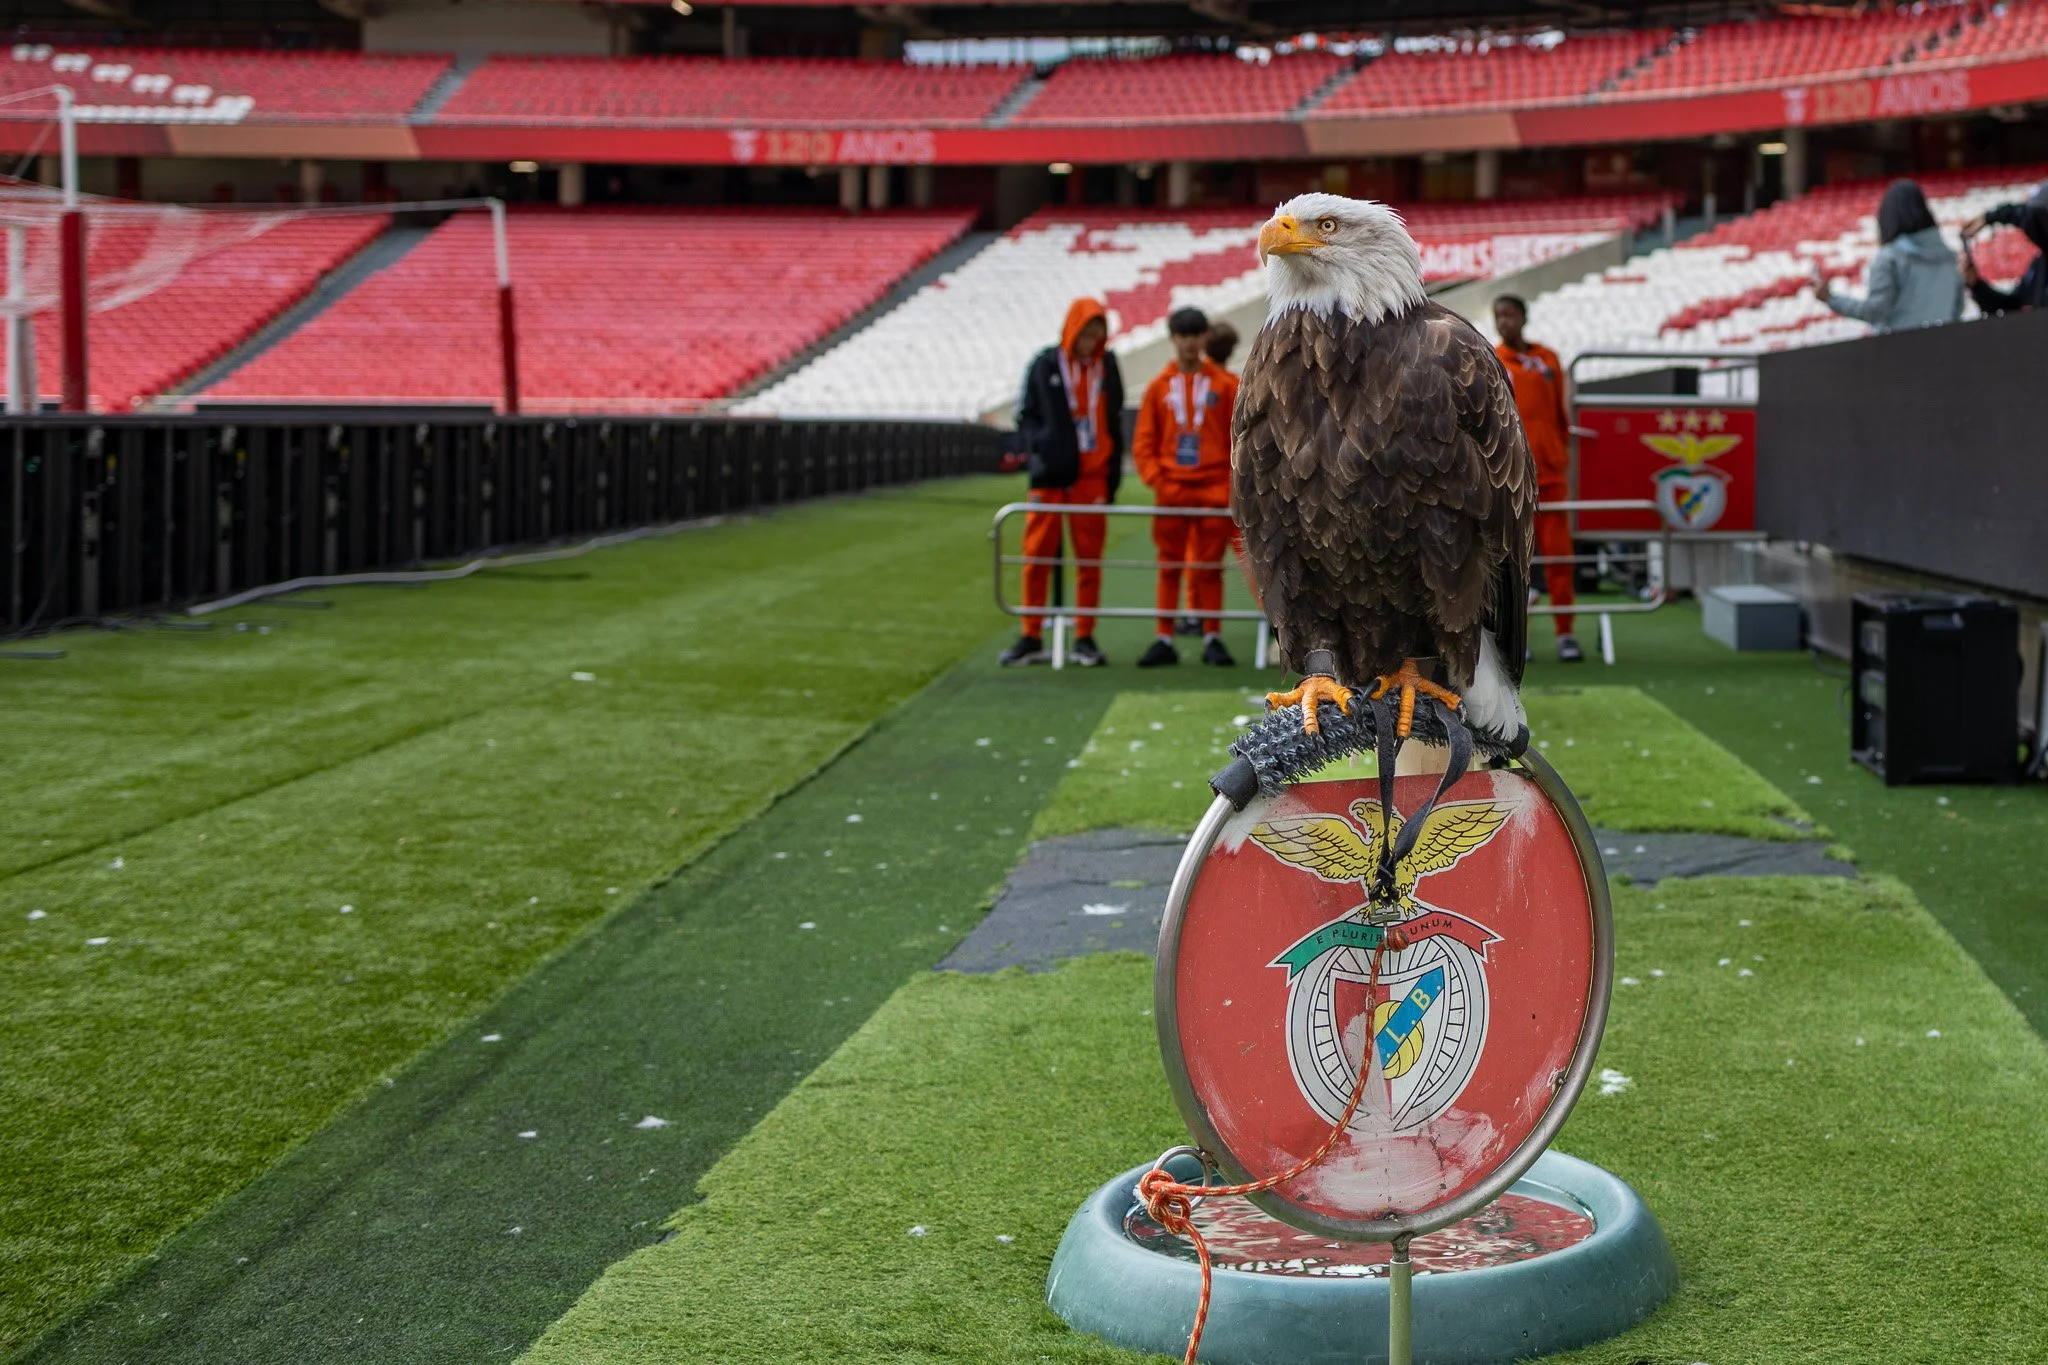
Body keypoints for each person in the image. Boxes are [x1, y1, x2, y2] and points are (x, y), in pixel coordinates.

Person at [1000, 297, 1123, 667]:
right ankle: (1030, 633)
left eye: (1096, 334)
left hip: (1093, 476)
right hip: (1050, 475)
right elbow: (1026, 415)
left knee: (1089, 560)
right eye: (1084, 333)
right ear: (1071, 330)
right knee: (1035, 556)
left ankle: (1084, 635)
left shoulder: (1107, 365)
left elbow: (1113, 415)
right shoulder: (1045, 364)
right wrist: (1040, 448)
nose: (1089, 341)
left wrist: (1111, 470)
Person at [1132, 306, 1239, 668]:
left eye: (1196, 335)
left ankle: (1212, 636)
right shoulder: (1157, 388)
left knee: (1209, 569)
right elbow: (1144, 443)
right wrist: (1158, 480)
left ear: (1205, 338)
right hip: (1171, 491)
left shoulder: (1227, 385)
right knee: (1169, 566)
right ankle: (1164, 637)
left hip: (1211, 492)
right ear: (1173, 338)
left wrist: (1226, 483)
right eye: (1183, 335)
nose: (1190, 343)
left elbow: (1238, 440)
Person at [1491, 294, 1582, 663]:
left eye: (1510, 315)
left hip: (1552, 476)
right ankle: (1517, 642)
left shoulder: (1548, 360)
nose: (1503, 323)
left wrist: (1558, 453)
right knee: (1514, 566)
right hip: (1512, 482)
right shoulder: (1494, 359)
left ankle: (1566, 634)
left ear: (1523, 318)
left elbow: (1560, 414)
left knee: (1560, 558)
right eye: (1498, 316)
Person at [1815, 179, 1962, 332]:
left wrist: (1831, 299)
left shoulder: (1890, 258)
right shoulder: (1950, 257)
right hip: (1940, 348)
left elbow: (1875, 312)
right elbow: (1956, 310)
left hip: (1896, 350)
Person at [1961, 181, 2048, 316]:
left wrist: (1992, 216)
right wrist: (1976, 284)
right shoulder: (2040, 264)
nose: (2032, 225)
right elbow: (2011, 305)